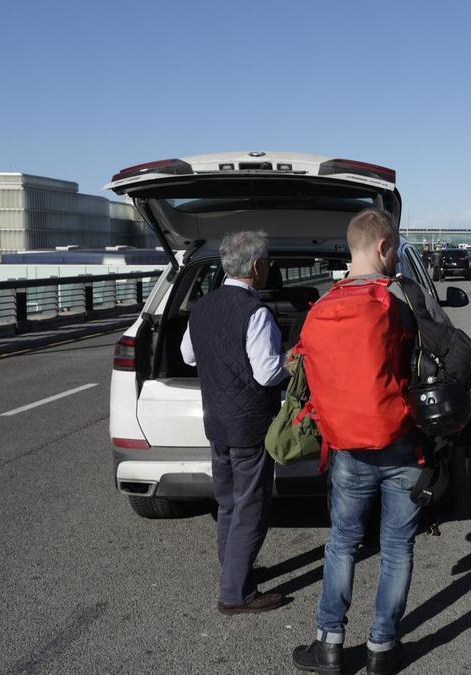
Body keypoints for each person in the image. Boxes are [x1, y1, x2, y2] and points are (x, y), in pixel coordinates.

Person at [292, 208, 421, 675]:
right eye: (395, 246)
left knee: (342, 543)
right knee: (397, 547)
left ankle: (328, 645)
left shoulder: (322, 307)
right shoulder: (399, 300)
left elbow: (305, 374)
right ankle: (382, 649)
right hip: (402, 441)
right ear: (383, 247)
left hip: (346, 445)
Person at [180, 230, 289, 615]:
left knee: (227, 503)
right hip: (250, 424)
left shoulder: (201, 307)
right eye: (268, 262)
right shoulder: (255, 312)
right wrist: (291, 361)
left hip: (217, 423)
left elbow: (188, 356)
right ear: (257, 267)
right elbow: (267, 373)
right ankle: (235, 595)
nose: (269, 267)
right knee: (251, 508)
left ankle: (233, 573)